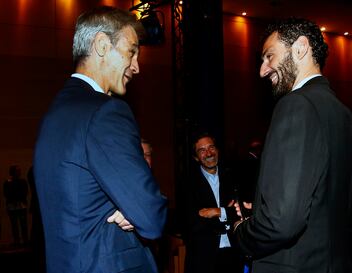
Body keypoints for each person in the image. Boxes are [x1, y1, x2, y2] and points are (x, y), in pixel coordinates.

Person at [33, 6, 167, 273]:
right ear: (103, 45)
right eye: (131, 52)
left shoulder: (54, 113)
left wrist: (128, 205)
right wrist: (135, 207)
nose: (137, 67)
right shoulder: (106, 112)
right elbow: (151, 217)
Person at [233, 18, 352, 273]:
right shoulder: (343, 113)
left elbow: (282, 223)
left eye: (269, 56)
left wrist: (242, 231)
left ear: (300, 47)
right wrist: (262, 207)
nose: (263, 70)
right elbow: (348, 211)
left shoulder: (296, 105)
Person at [182, 132, 243, 273]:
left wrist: (218, 212)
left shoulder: (234, 177)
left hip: (234, 255)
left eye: (211, 147)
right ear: (196, 157)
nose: (209, 153)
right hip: (203, 259)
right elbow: (192, 223)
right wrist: (228, 215)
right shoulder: (187, 184)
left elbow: (245, 212)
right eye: (202, 150)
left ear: (217, 150)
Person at [3, 165, 29, 246]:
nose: (19, 172)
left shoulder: (22, 181)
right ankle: (17, 241)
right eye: (17, 171)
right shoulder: (7, 182)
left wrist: (15, 196)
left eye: (19, 170)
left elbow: (25, 192)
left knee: (23, 224)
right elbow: (6, 193)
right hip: (12, 206)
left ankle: (25, 240)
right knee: (14, 225)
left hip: (21, 205)